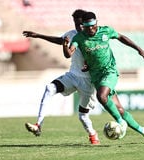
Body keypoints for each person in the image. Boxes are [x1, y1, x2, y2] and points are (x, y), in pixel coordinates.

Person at [63, 11, 144, 144]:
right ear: (83, 26)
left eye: (93, 26)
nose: (91, 29)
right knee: (120, 109)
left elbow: (121, 37)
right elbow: (68, 54)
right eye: (87, 27)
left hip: (109, 72)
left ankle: (120, 123)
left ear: (96, 23)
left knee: (101, 96)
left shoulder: (106, 31)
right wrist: (65, 45)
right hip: (96, 77)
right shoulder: (79, 38)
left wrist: (139, 49)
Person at [22, 9, 101, 145]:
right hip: (72, 76)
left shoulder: (94, 37)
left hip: (88, 82)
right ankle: (38, 125)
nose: (78, 27)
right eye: (76, 24)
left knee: (83, 116)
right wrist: (38, 36)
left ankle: (93, 134)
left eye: (81, 24)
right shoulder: (72, 34)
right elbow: (60, 40)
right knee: (49, 88)